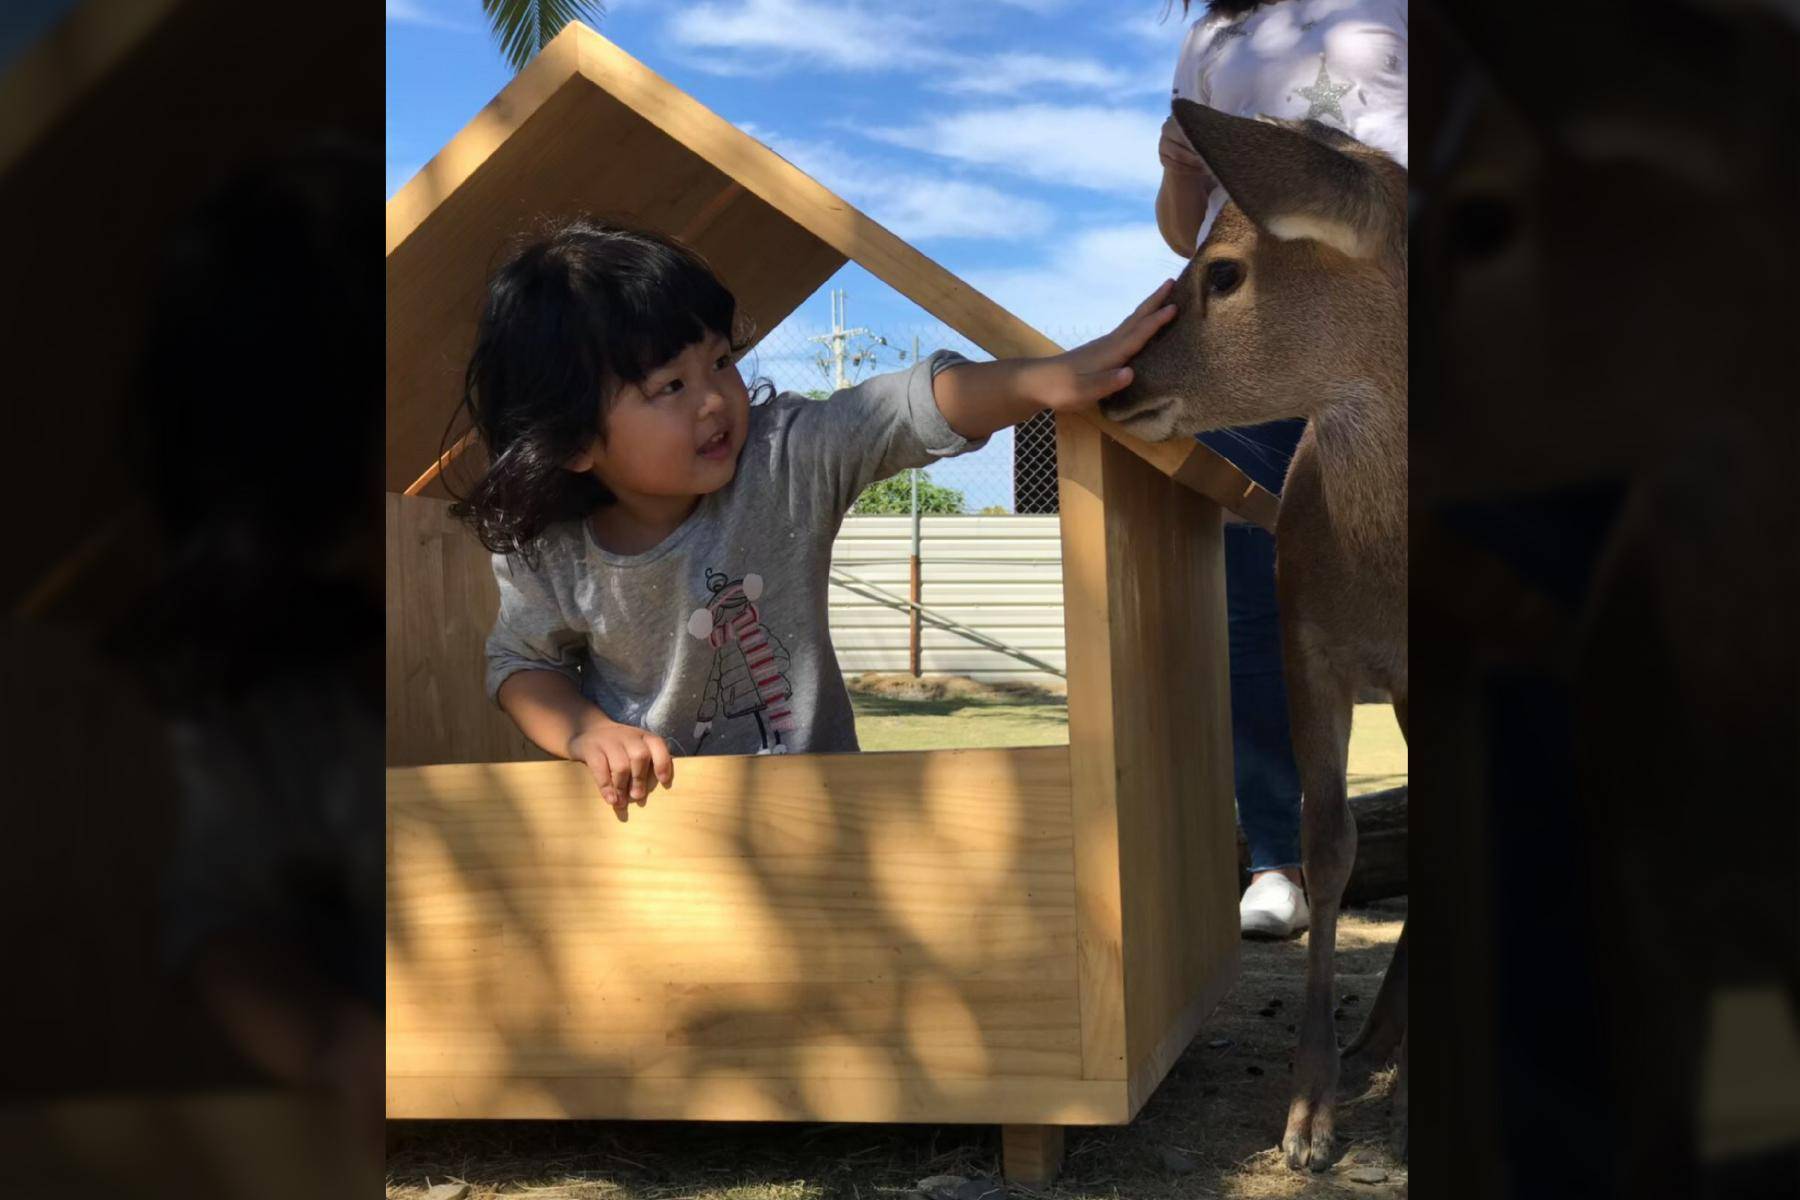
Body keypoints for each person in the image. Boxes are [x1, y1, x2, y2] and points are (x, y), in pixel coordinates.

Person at [450, 219, 1176, 820]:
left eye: (721, 363)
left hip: (815, 807)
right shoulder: (549, 550)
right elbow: (522, 663)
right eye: (670, 385)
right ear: (574, 440)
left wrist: (1043, 380)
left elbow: (901, 408)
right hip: (651, 818)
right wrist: (589, 733)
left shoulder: (781, 460)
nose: (714, 400)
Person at [1155, 0, 1408, 939]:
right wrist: (1181, 171)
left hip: (1390, 305)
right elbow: (1186, 231)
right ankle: (1275, 854)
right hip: (1262, 317)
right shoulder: (1214, 36)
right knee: (1250, 573)